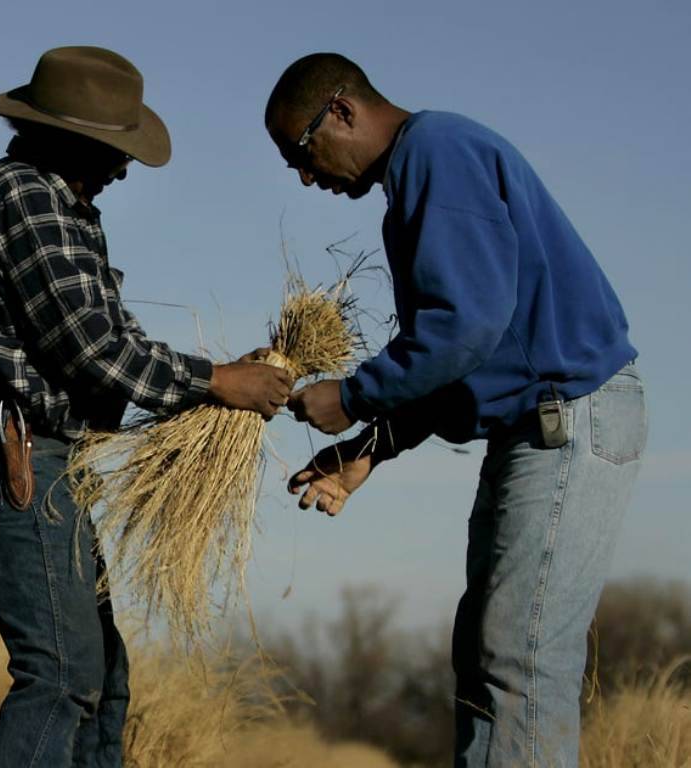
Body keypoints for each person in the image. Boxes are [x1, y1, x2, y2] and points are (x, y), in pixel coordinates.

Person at [265, 52, 646, 767]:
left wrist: (351, 397)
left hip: (566, 419)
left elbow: (465, 326)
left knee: (520, 661)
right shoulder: (421, 172)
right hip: (528, 430)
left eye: (301, 151)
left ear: (341, 110)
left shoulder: (438, 153)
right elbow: (467, 350)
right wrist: (370, 448)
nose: (307, 175)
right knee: (483, 661)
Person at [0, 46, 291, 768]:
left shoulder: (62, 206)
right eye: (110, 150)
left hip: (47, 457)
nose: (121, 168)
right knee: (61, 677)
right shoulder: (26, 198)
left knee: (103, 681)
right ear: (67, 137)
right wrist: (216, 383)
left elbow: (112, 339)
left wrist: (224, 376)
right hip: (19, 456)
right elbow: (95, 350)